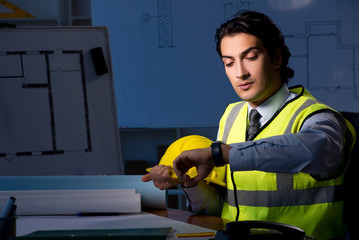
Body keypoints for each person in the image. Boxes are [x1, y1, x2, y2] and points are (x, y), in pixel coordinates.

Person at [142, 10, 356, 240]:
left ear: (276, 58)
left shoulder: (318, 116)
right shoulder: (232, 115)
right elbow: (222, 210)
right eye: (229, 63)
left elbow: (318, 150)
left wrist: (222, 153)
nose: (240, 73)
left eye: (250, 57)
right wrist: (189, 183)